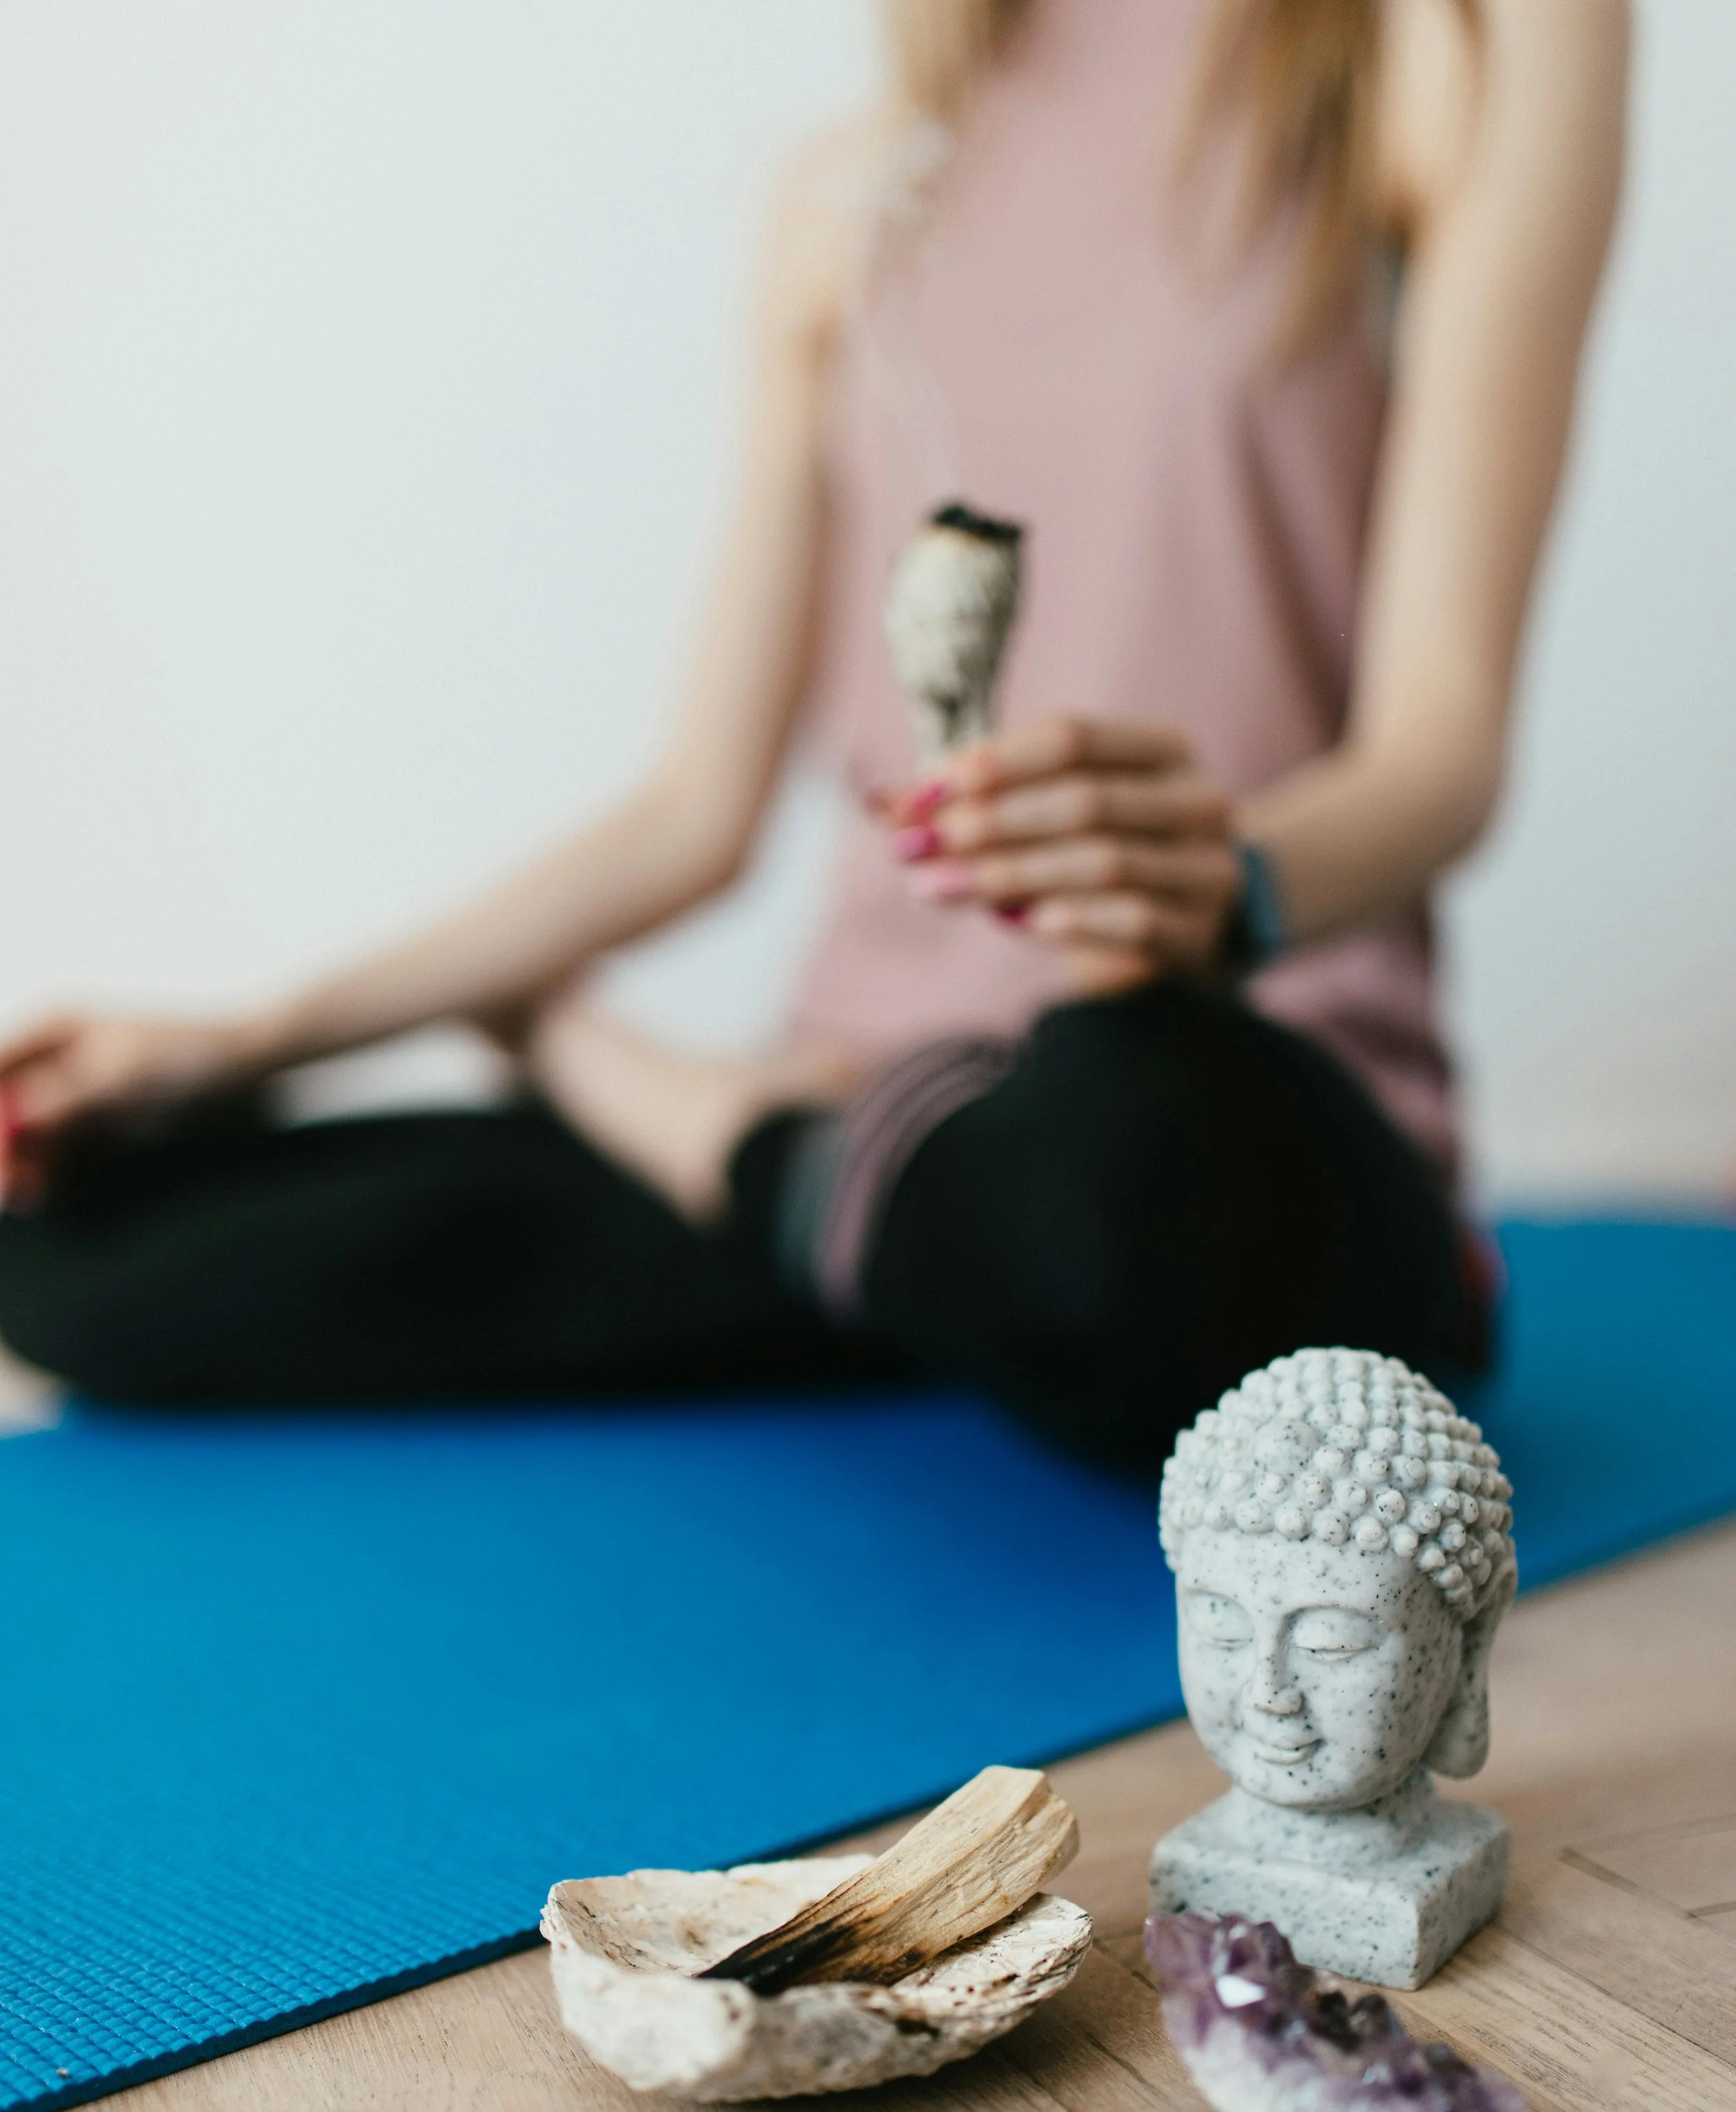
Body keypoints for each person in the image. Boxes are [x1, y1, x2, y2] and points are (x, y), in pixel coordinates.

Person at [0, 0, 1628, 1472]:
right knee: (83, 1260)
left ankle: (707, 1130)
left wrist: (1226, 885)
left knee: (1111, 1154)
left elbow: (1441, 747)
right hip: (886, 1092)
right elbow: (691, 814)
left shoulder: (1465, 43)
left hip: (1204, 1102)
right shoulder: (852, 196)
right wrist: (248, 1037)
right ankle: (839, 1203)